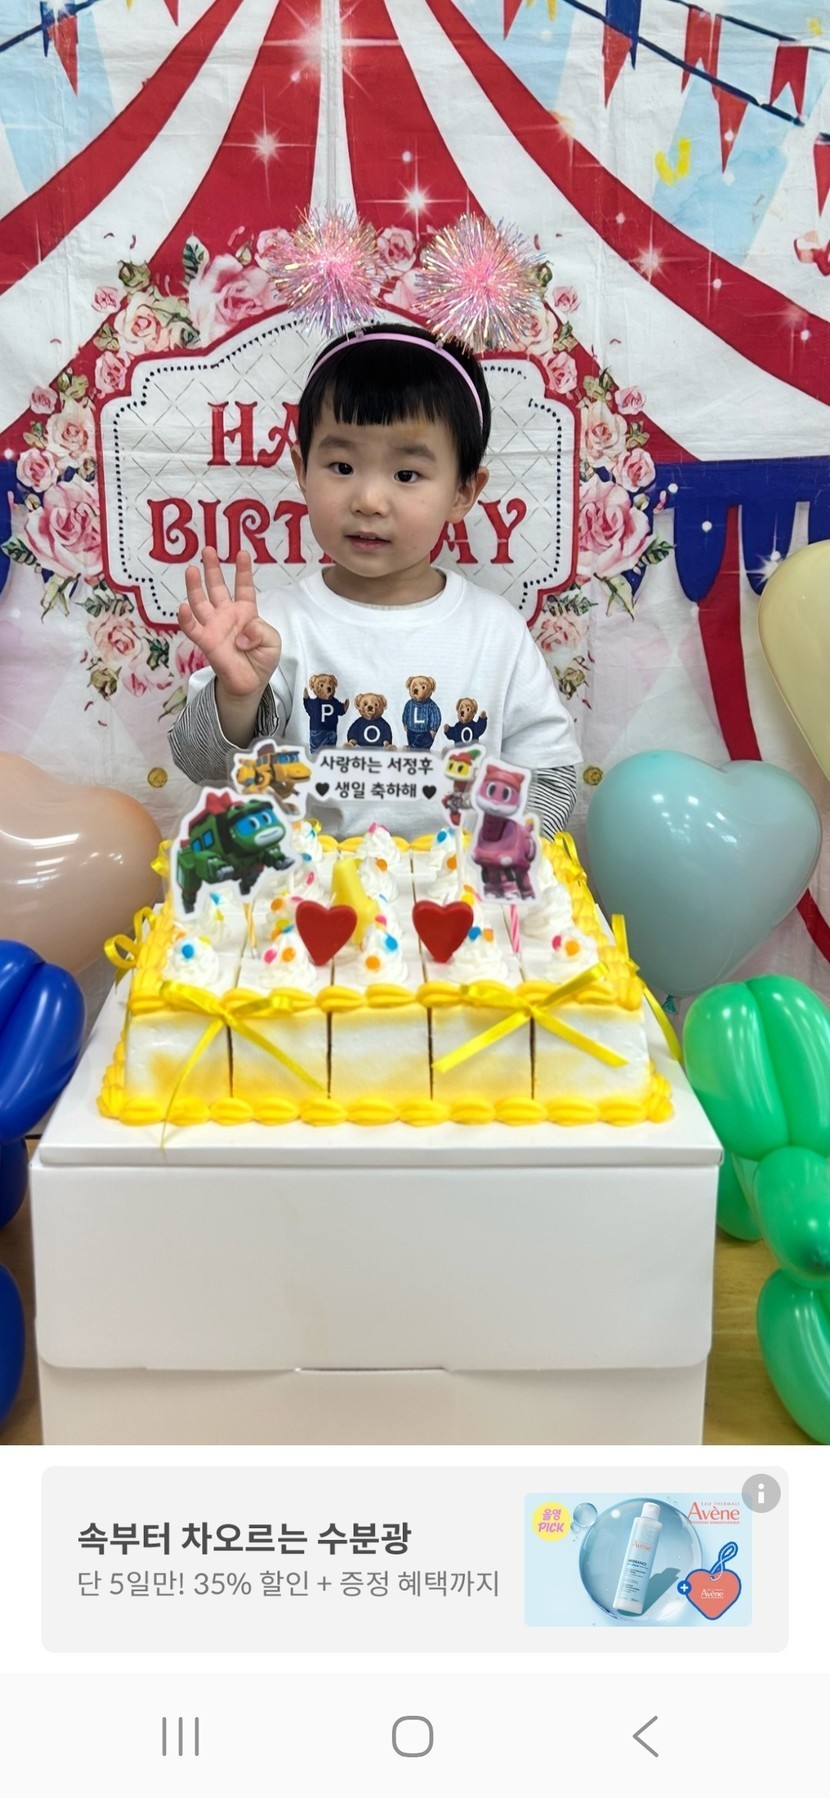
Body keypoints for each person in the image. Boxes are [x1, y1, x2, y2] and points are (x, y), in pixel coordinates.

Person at [169, 322, 579, 840]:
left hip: (459, 886)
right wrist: (237, 697)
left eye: (406, 475)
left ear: (462, 491)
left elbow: (549, 772)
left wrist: (503, 855)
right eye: (341, 466)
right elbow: (202, 765)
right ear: (302, 469)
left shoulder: (495, 632)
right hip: (308, 886)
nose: (368, 500)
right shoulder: (269, 629)